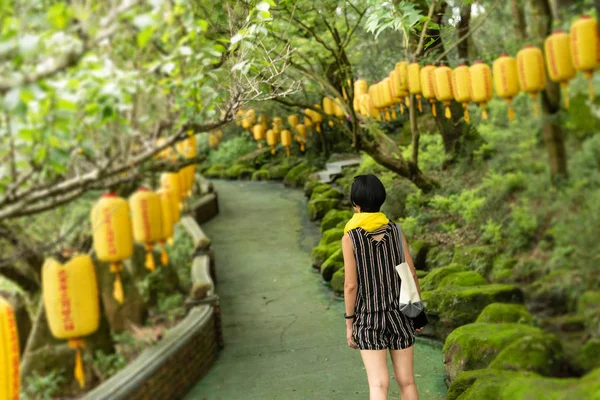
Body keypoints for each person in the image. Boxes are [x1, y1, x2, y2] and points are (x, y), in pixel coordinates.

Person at [342, 174, 422, 400]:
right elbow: (411, 273)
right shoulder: (396, 231)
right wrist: (416, 313)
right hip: (400, 314)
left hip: (368, 319)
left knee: (378, 384)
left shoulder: (351, 238)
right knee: (407, 381)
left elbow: (350, 285)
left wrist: (350, 324)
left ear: (355, 203)